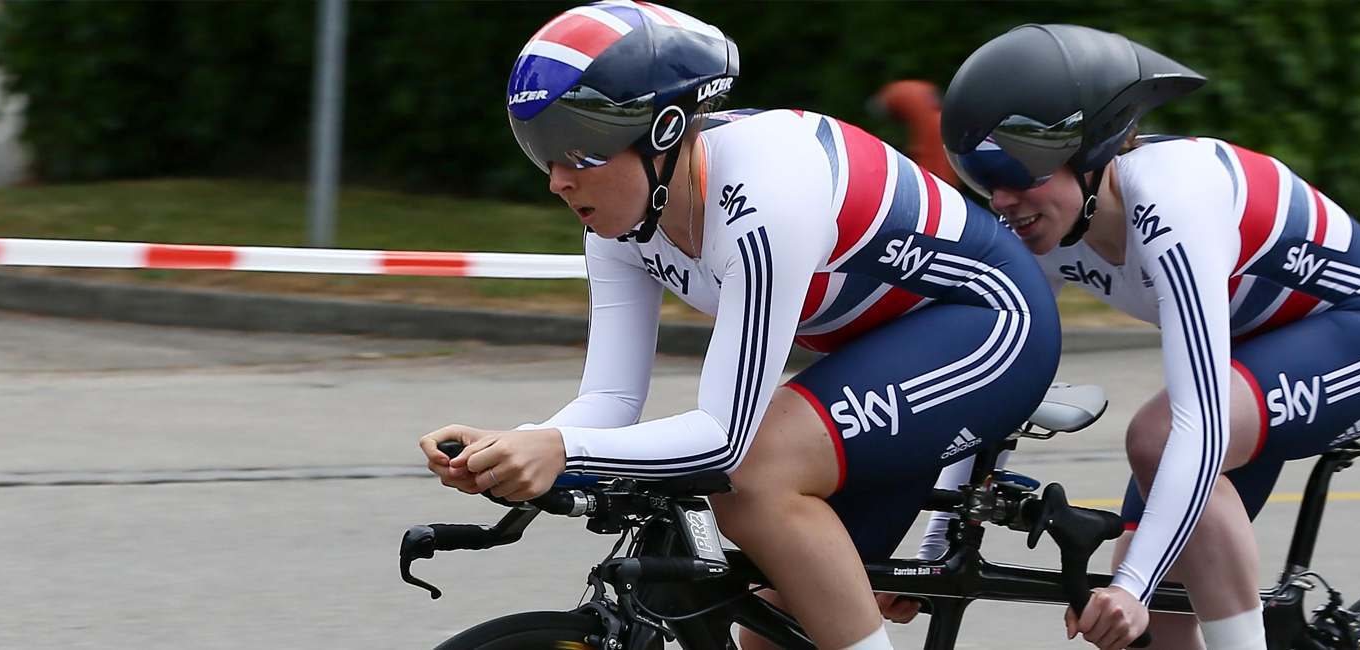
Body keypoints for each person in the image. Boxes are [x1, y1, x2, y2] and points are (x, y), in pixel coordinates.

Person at [418, 3, 1062, 649]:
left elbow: (725, 440)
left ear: (664, 131)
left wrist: (561, 452)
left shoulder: (766, 194)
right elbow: (610, 400)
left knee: (754, 479)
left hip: (991, 326)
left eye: (580, 152)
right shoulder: (621, 213)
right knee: (773, 639)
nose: (558, 181)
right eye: (542, 153)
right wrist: (518, 445)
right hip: (875, 350)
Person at [924, 24, 1360, 650]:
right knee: (1157, 614)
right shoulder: (1045, 230)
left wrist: (1132, 586)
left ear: (1090, 155)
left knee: (1156, 451)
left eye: (1018, 175)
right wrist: (935, 549)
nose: (1003, 203)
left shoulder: (1173, 199)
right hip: (1256, 357)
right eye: (983, 181)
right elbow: (993, 382)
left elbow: (1200, 423)